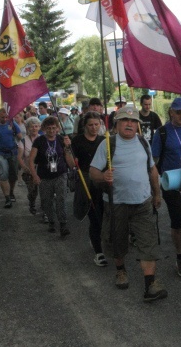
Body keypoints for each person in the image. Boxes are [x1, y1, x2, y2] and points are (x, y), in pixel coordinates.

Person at [89, 106, 167, 302]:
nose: (130, 124)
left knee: (148, 241)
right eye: (125, 121)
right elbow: (93, 172)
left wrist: (157, 194)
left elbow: (152, 170)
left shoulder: (143, 143)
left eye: (133, 122)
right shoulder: (107, 144)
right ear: (116, 125)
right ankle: (120, 269)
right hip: (117, 203)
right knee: (117, 240)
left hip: (143, 202)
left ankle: (150, 285)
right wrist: (103, 175)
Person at [151, 97, 181, 278]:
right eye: (178, 112)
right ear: (171, 112)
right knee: (178, 221)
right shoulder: (162, 132)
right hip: (171, 183)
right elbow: (154, 162)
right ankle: (179, 256)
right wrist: (155, 188)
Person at [71, 111, 107, 267]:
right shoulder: (77, 141)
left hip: (102, 181)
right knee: (94, 216)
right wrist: (67, 149)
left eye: (97, 124)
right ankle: (99, 252)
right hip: (86, 181)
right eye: (91, 125)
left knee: (105, 214)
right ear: (85, 126)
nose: (94, 128)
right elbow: (72, 164)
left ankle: (101, 241)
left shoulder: (104, 140)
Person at [28, 116, 75, 236]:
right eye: (48, 128)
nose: (51, 130)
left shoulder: (61, 139)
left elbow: (70, 163)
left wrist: (68, 147)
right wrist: (34, 175)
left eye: (54, 128)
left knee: (61, 199)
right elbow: (31, 160)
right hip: (44, 176)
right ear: (44, 129)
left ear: (58, 128)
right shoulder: (39, 141)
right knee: (46, 201)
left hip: (60, 174)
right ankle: (51, 221)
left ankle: (63, 224)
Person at [0, 108, 22, 208]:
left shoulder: (12, 123)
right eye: (3, 117)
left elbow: (20, 136)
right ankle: (7, 199)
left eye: (6, 117)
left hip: (12, 152)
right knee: (3, 174)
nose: (5, 119)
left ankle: (11, 192)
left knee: (13, 175)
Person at [17, 117, 41, 215]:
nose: (34, 128)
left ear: (39, 127)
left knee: (44, 191)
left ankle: (45, 210)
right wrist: (25, 168)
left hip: (41, 170)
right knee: (33, 191)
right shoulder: (23, 141)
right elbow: (19, 157)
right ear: (27, 128)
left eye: (36, 126)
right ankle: (32, 203)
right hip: (29, 171)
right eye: (31, 127)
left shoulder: (42, 139)